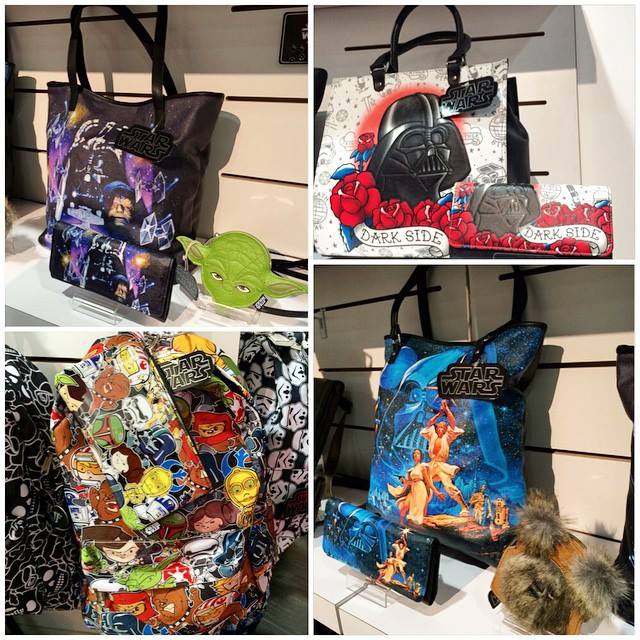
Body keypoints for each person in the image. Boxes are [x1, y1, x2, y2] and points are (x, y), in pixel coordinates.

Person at [420, 399, 470, 516]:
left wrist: (446, 409)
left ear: (445, 429)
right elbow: (429, 424)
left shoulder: (448, 436)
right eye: (439, 426)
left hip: (441, 466)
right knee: (421, 482)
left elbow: (452, 423)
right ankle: (420, 508)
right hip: (432, 464)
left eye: (443, 427)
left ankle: (464, 508)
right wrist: (439, 414)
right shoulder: (432, 435)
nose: (440, 428)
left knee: (448, 485)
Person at [388, 449, 444, 526]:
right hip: (413, 489)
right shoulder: (411, 470)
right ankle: (401, 524)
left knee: (418, 511)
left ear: (421, 456)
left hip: (420, 489)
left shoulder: (422, 467)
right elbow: (410, 482)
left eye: (418, 453)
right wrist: (404, 481)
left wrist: (436, 492)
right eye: (414, 453)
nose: (415, 455)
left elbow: (428, 481)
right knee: (405, 507)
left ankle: (415, 525)